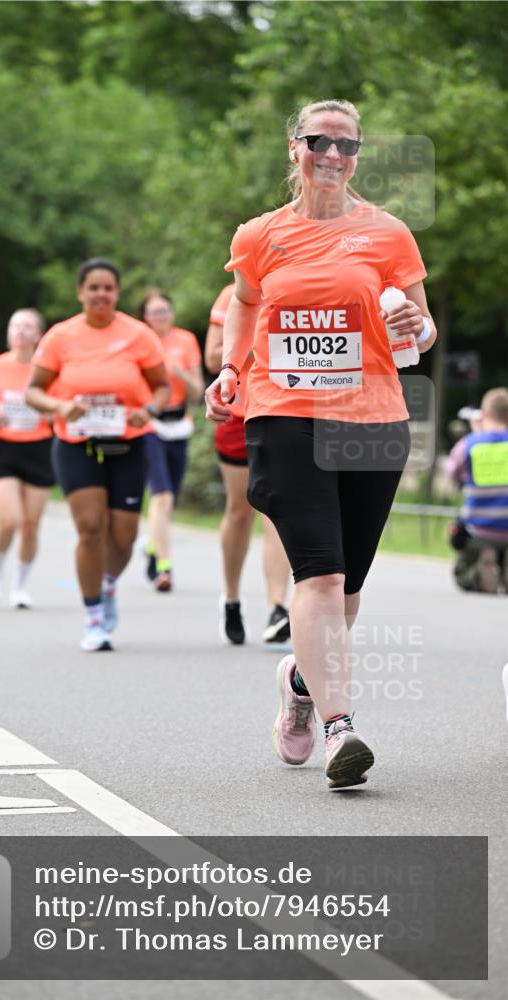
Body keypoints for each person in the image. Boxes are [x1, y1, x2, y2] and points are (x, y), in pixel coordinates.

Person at [205, 99, 437, 789]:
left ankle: (299, 684)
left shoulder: (389, 235)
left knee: (347, 590)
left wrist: (408, 323)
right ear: (293, 148)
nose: (332, 156)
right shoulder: (259, 236)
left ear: (358, 155)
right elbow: (244, 302)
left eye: (346, 145)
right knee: (321, 574)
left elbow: (420, 337)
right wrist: (229, 365)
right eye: (318, 142)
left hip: (370, 419)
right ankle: (341, 730)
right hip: (282, 411)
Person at [25, 258, 170, 651]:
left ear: (117, 293)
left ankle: (107, 584)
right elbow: (33, 391)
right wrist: (58, 407)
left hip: (128, 443)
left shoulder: (138, 335)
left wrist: (150, 410)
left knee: (123, 538)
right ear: (80, 292)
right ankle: (93, 619)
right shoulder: (60, 336)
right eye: (93, 287)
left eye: (108, 288)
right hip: (77, 444)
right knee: (90, 529)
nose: (101, 294)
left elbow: (162, 387)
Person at [205, 283, 293, 645]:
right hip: (238, 414)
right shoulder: (232, 295)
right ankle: (231, 597)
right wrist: (262, 350)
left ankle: (278, 608)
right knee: (240, 510)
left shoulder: (297, 290)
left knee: (276, 509)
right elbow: (213, 357)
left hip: (283, 411)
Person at [0, 309, 55, 609]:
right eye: (15, 325)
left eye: (28, 326)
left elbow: (57, 405)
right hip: (1, 448)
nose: (21, 331)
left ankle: (20, 586)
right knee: (10, 519)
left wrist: (49, 410)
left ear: (38, 334)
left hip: (38, 447)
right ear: (8, 332)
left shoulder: (46, 369)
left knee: (31, 525)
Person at [139, 290, 203, 591]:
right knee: (161, 495)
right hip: (150, 424)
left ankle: (153, 548)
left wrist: (178, 371)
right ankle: (164, 567)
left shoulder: (185, 341)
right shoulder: (139, 341)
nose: (160, 317)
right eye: (154, 312)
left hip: (179, 424)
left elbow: (197, 391)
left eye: (165, 310)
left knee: (171, 498)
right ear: (145, 317)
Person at [445, 387, 508, 593]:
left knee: (462, 575)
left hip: (479, 527)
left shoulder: (470, 444)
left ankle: (478, 571)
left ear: (485, 414)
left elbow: (451, 473)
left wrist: (476, 434)